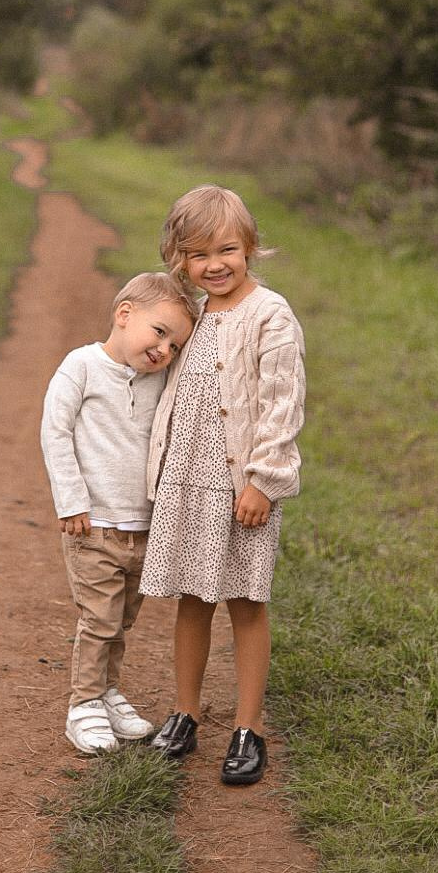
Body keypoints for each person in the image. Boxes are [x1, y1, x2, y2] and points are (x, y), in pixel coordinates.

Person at [140, 185, 305, 786]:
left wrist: (264, 480)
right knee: (191, 595)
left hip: (241, 488)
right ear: (178, 258)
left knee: (245, 600)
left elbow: (282, 404)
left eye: (227, 250)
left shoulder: (271, 314)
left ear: (250, 246)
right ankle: (184, 713)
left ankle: (247, 726)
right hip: (187, 477)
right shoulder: (192, 311)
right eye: (197, 254)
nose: (214, 265)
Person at [41, 272, 194, 755]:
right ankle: (82, 704)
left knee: (122, 620)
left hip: (142, 528)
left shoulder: (159, 380)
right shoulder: (81, 366)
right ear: (125, 315)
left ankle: (107, 693)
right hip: (93, 525)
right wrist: (71, 501)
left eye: (175, 346)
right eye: (160, 332)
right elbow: (55, 431)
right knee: (99, 619)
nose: (165, 351)